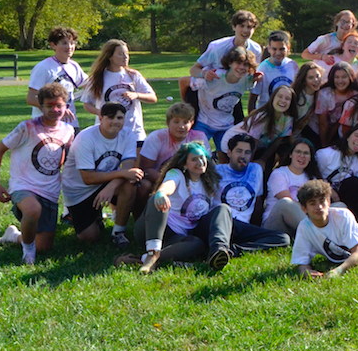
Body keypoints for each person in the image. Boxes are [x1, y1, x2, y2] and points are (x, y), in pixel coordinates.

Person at [0, 83, 75, 264]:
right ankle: (28, 253)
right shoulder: (27, 127)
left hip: (50, 190)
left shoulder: (68, 130)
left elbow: (66, 160)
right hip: (24, 185)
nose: (55, 109)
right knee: (33, 210)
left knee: (44, 246)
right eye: (49, 105)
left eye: (59, 105)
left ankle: (14, 236)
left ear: (66, 106)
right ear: (40, 106)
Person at [125, 142, 233, 273]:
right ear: (184, 164)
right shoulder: (176, 174)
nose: (200, 162)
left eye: (202, 158)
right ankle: (152, 253)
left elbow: (214, 212)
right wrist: (162, 193)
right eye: (194, 159)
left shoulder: (210, 183)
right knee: (156, 199)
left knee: (199, 242)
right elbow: (168, 185)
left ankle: (143, 259)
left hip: (177, 238)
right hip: (154, 228)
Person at [61, 103, 141, 247]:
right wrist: (122, 174)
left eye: (119, 117)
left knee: (131, 185)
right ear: (100, 118)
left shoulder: (128, 134)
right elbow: (88, 178)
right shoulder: (86, 138)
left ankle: (118, 233)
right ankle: (90, 216)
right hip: (79, 190)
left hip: (106, 182)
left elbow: (128, 169)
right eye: (110, 117)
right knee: (89, 238)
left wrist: (112, 186)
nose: (115, 121)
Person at [214, 134, 292, 252]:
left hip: (242, 227)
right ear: (229, 153)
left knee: (283, 238)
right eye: (239, 151)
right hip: (222, 223)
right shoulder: (217, 171)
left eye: (247, 152)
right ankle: (219, 248)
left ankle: (235, 250)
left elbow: (258, 201)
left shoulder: (255, 170)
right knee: (223, 208)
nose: (243, 156)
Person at [80, 39, 157, 147]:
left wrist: (137, 95)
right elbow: (87, 104)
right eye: (121, 54)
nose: (125, 57)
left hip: (134, 131)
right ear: (110, 57)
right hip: (107, 132)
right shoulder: (99, 78)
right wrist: (101, 113)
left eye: (127, 54)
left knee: (134, 164)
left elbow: (153, 97)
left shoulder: (133, 75)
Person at [138, 103, 210, 208]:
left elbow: (207, 165)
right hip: (160, 178)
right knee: (143, 185)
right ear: (168, 123)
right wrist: (171, 182)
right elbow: (146, 169)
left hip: (193, 179)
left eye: (186, 122)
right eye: (176, 122)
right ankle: (141, 216)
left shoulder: (199, 137)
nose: (181, 126)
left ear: (192, 123)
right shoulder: (156, 138)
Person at [190, 46, 258, 154]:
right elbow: (186, 81)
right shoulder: (214, 77)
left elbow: (253, 81)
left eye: (245, 65)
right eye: (238, 63)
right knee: (195, 153)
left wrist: (257, 77)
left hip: (226, 124)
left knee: (230, 155)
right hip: (204, 122)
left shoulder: (247, 79)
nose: (241, 67)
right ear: (230, 63)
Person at [221, 83, 295, 169]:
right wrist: (250, 167)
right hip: (234, 143)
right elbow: (253, 143)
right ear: (272, 98)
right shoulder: (262, 117)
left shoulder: (288, 119)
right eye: (280, 96)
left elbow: (276, 143)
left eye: (287, 99)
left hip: (257, 146)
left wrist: (263, 160)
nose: (283, 100)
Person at [27, 26, 87, 132]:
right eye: (64, 43)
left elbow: (91, 86)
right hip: (46, 125)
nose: (69, 47)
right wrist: (56, 108)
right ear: (53, 45)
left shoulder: (74, 66)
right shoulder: (43, 67)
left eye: (72, 43)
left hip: (70, 124)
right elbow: (31, 98)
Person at [261, 138, 322, 236]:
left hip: (302, 223)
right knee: (286, 203)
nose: (301, 156)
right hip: (275, 225)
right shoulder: (279, 173)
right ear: (290, 155)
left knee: (339, 207)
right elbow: (287, 201)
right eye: (298, 152)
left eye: (306, 153)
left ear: (310, 158)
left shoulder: (312, 179)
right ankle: (320, 236)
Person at [317, 124, 358, 214]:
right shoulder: (326, 154)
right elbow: (313, 175)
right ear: (347, 137)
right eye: (356, 135)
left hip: (342, 197)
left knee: (356, 183)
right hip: (322, 192)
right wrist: (329, 190)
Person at [249, 30, 298, 114]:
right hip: (267, 115)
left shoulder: (293, 66)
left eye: (282, 49)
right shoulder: (262, 69)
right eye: (274, 49)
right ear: (269, 49)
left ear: (288, 48)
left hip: (287, 115)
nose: (278, 53)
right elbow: (252, 99)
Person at [317, 61, 358, 147]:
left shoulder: (356, 94)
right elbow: (323, 124)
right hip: (322, 132)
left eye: (344, 77)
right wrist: (324, 145)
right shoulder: (324, 94)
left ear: (350, 77)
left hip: (346, 131)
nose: (340, 81)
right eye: (337, 77)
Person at [290, 62, 325, 142]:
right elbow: (287, 125)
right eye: (311, 78)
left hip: (300, 135)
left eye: (317, 76)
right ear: (304, 80)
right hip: (288, 137)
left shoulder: (318, 94)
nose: (316, 80)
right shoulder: (296, 97)